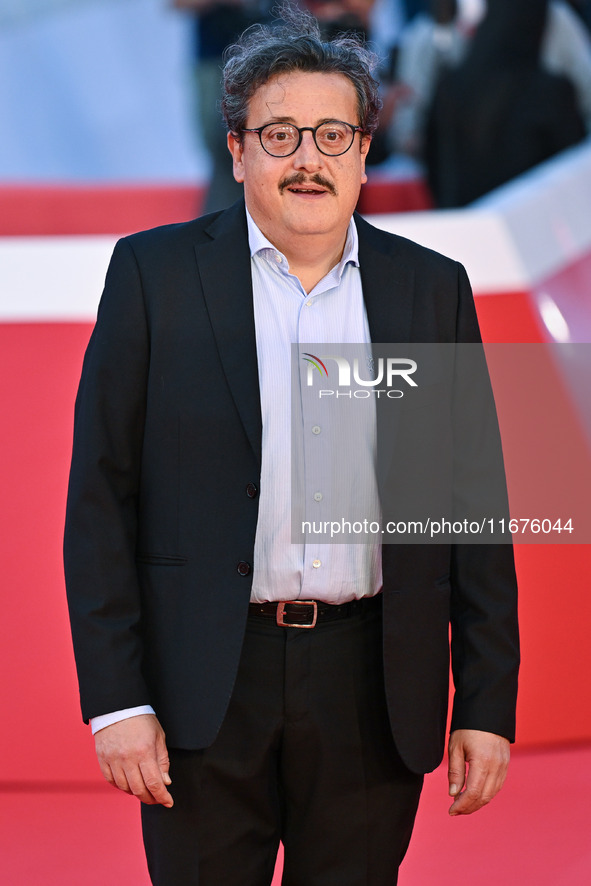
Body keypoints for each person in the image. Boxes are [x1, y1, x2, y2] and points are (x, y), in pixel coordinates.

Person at [64, 7, 519, 885]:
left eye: (331, 134)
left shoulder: (429, 291)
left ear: (361, 151)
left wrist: (486, 703)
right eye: (279, 134)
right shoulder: (154, 279)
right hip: (204, 682)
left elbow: (471, 508)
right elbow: (101, 498)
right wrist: (115, 701)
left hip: (373, 685)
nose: (307, 158)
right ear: (236, 151)